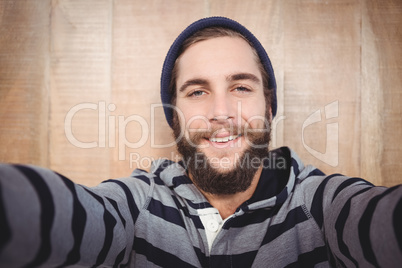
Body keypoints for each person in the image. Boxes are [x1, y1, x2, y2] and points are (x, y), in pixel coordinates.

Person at [0, 16, 401, 268]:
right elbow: (75, 218)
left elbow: (376, 221)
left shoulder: (323, 203)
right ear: (174, 117)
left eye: (241, 87)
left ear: (269, 105)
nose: (222, 111)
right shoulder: (138, 202)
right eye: (196, 92)